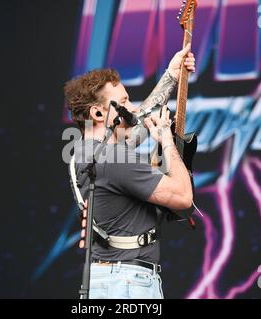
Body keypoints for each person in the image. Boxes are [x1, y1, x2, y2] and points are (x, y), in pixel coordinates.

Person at [64, 44, 195, 299]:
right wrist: (166, 139)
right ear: (99, 112)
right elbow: (182, 197)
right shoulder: (116, 158)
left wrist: (171, 76)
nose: (132, 108)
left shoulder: (84, 153)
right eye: (124, 102)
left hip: (102, 281)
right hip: (128, 284)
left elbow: (134, 128)